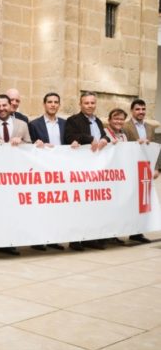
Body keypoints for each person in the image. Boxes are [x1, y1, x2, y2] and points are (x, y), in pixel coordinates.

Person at [0, 94, 30, 256]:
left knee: (12, 210)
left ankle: (9, 243)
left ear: (10, 106)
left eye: (4, 105)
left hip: (16, 176)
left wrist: (21, 143)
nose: (1, 109)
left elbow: (30, 147)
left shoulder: (23, 125)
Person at [64, 92, 110, 250]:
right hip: (80, 170)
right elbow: (69, 137)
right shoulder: (73, 120)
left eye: (92, 103)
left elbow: (104, 136)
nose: (90, 106)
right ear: (80, 104)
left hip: (97, 170)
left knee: (93, 205)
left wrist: (105, 139)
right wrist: (89, 139)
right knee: (79, 205)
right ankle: (75, 240)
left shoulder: (97, 121)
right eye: (87, 103)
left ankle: (90, 237)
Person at [28, 92, 67, 251]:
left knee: (56, 206)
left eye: (56, 102)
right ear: (44, 104)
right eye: (49, 102)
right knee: (41, 206)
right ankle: (38, 240)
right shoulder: (34, 124)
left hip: (60, 170)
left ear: (59, 105)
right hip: (42, 171)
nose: (52, 105)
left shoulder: (65, 123)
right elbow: (29, 145)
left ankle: (53, 239)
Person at [122, 99, 156, 243]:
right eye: (138, 109)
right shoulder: (125, 126)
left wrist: (158, 169)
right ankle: (127, 229)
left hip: (145, 169)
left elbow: (156, 148)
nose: (141, 112)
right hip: (130, 169)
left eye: (143, 109)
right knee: (129, 201)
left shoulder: (150, 127)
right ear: (132, 111)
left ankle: (138, 232)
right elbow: (123, 148)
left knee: (143, 202)